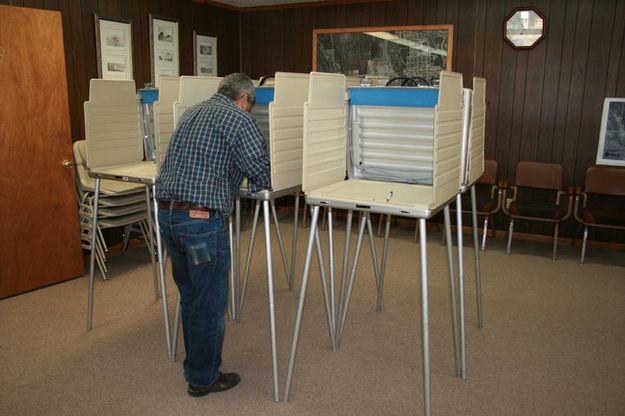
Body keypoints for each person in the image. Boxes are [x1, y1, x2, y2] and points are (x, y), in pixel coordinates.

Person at [156, 73, 271, 397]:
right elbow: (259, 171)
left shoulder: (191, 111)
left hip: (167, 216)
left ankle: (195, 364)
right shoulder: (238, 119)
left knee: (191, 295)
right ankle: (203, 378)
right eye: (250, 107)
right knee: (209, 304)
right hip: (201, 222)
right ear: (244, 99)